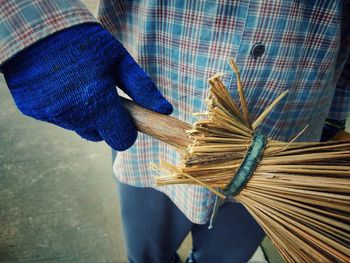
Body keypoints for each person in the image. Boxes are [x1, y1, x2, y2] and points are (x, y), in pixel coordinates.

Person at [1, 1, 349, 262]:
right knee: (148, 251)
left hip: (286, 146)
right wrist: (32, 28)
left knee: (226, 257)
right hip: (153, 132)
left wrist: (334, 118)